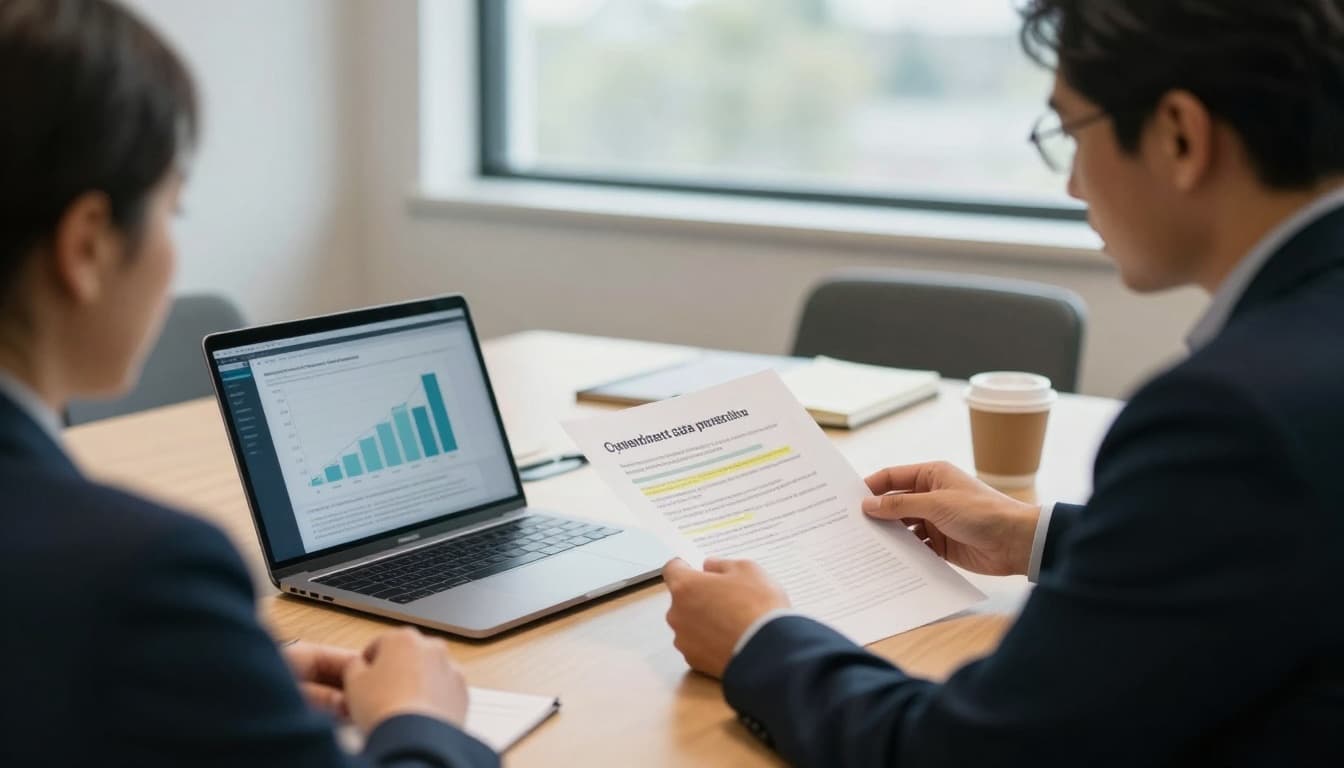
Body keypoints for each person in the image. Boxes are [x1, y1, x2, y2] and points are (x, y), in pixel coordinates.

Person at [662, 1, 1344, 765]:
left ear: (1179, 135)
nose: (1074, 185)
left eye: (1071, 133)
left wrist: (758, 640)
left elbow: (966, 751)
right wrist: (1033, 536)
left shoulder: (1231, 415)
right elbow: (1271, 544)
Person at [0, 2, 496, 766]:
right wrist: (419, 719)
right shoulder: (143, 572)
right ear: (88, 246)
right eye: (173, 211)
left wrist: (216, 681)